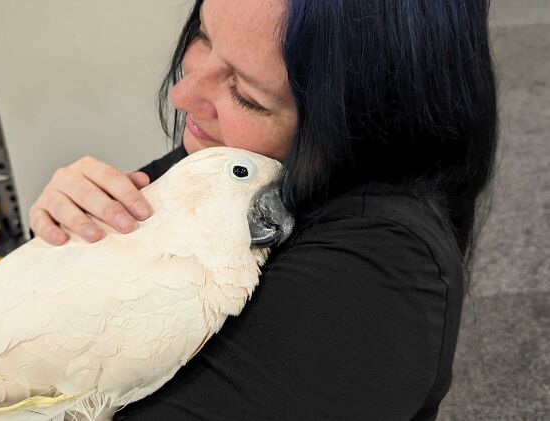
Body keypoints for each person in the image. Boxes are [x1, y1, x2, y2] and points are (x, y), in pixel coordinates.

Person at [29, 0, 497, 419]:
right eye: (204, 38)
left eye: (246, 96)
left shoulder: (376, 280)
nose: (182, 96)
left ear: (359, 122)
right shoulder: (241, 158)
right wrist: (61, 237)